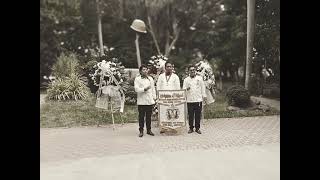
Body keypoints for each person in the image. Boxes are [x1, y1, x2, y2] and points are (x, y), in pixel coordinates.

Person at [156, 61, 181, 133]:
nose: (169, 68)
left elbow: (178, 88)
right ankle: (163, 127)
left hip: (172, 98)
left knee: (172, 112)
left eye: (170, 67)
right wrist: (159, 96)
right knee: (163, 112)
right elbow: (158, 87)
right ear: (165, 68)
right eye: (167, 66)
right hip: (163, 98)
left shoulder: (175, 77)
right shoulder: (161, 76)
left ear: (172, 68)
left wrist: (176, 97)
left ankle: (173, 127)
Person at [183, 65, 207, 134]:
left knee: (198, 115)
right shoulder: (186, 80)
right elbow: (183, 89)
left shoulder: (199, 78)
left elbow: (203, 87)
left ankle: (197, 128)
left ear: (195, 71)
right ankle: (191, 128)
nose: (192, 71)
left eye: (193, 70)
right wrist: (186, 89)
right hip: (190, 100)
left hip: (198, 99)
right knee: (190, 115)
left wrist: (204, 96)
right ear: (188, 71)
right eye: (191, 70)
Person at [134, 64, 156, 137]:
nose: (145, 71)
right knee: (141, 117)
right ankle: (141, 130)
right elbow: (136, 89)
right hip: (141, 101)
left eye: (146, 69)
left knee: (149, 117)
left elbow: (153, 89)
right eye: (143, 69)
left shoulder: (150, 78)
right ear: (140, 71)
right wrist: (144, 89)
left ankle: (149, 130)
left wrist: (154, 98)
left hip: (149, 101)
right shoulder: (137, 79)